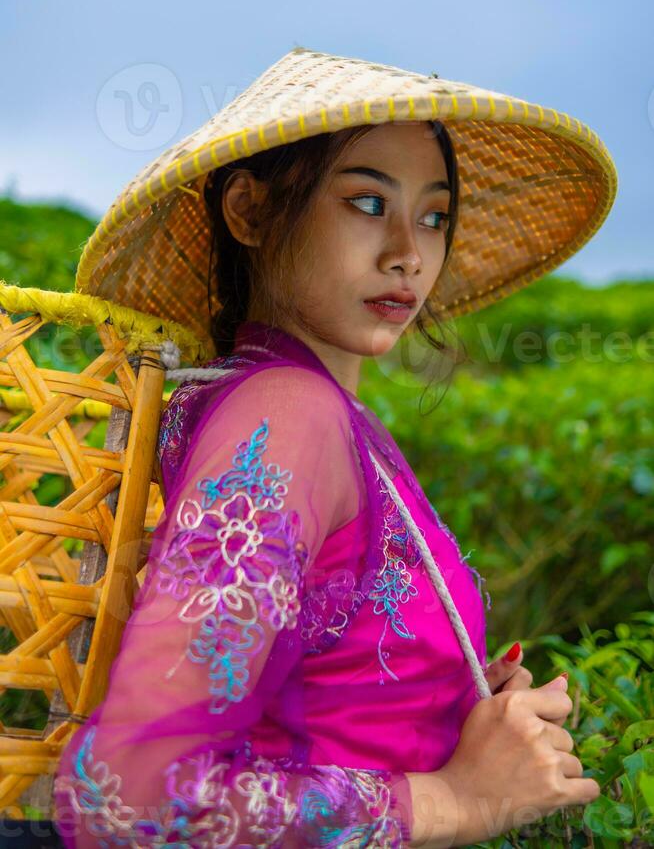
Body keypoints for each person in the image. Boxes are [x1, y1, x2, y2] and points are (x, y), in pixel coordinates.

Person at [53, 46, 616, 847]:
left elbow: (323, 684)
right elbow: (136, 795)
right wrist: (455, 800)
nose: (407, 253)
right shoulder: (290, 414)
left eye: (433, 216)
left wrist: (446, 707)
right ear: (247, 211)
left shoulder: (316, 413)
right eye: (365, 202)